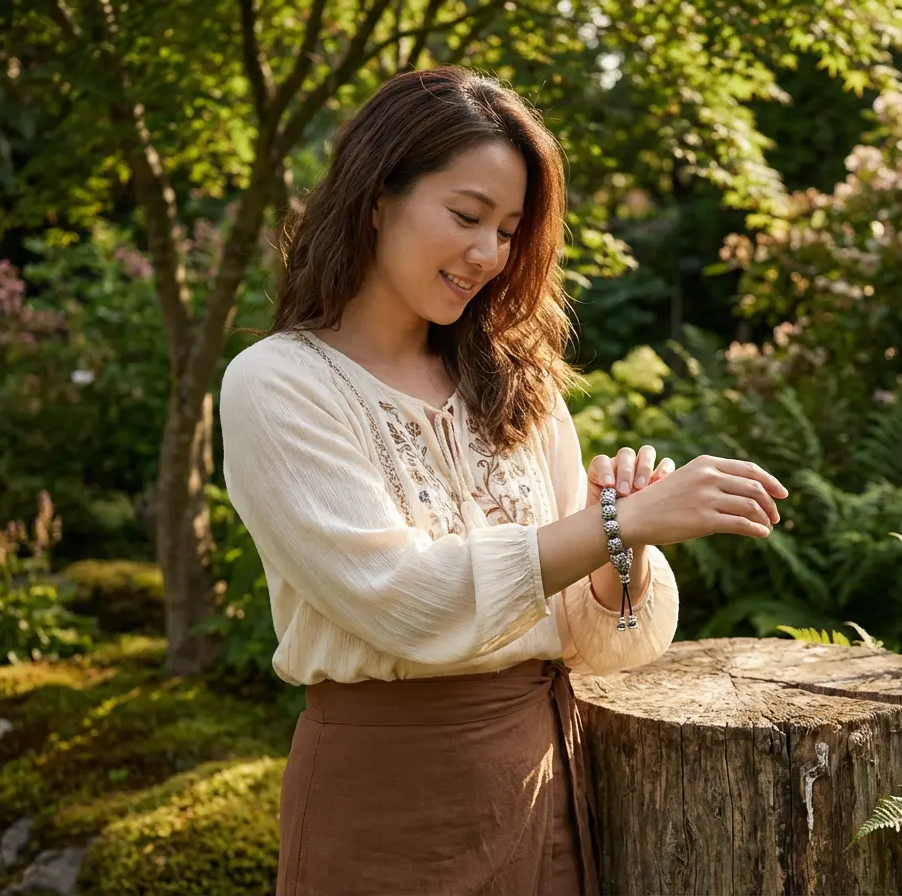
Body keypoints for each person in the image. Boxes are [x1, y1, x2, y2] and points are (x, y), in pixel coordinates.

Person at [219, 66, 788, 896]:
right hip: (384, 802)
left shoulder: (516, 383)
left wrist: (612, 542)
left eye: (512, 230)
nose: (489, 255)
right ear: (377, 196)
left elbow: (605, 647)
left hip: (545, 788)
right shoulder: (277, 383)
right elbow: (402, 601)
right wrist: (616, 525)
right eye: (466, 216)